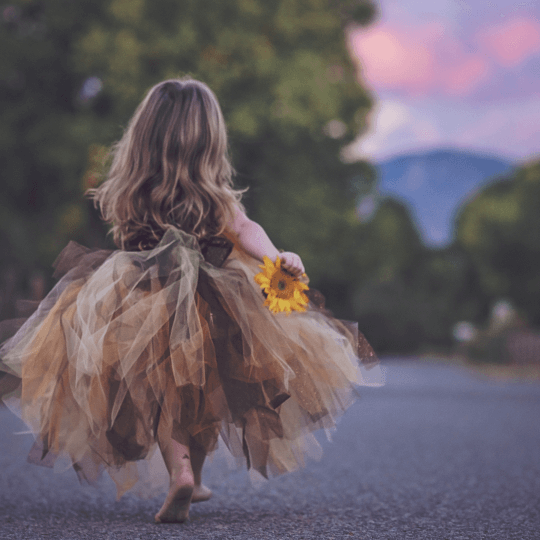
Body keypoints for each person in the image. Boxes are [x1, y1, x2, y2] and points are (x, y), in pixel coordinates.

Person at [0, 77, 382, 524]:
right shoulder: (213, 196)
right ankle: (192, 478)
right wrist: (276, 257)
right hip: (212, 299)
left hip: (134, 298)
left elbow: (130, 238)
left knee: (160, 393)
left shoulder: (132, 190)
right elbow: (245, 230)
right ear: (209, 142)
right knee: (202, 393)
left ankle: (181, 474)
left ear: (143, 137)